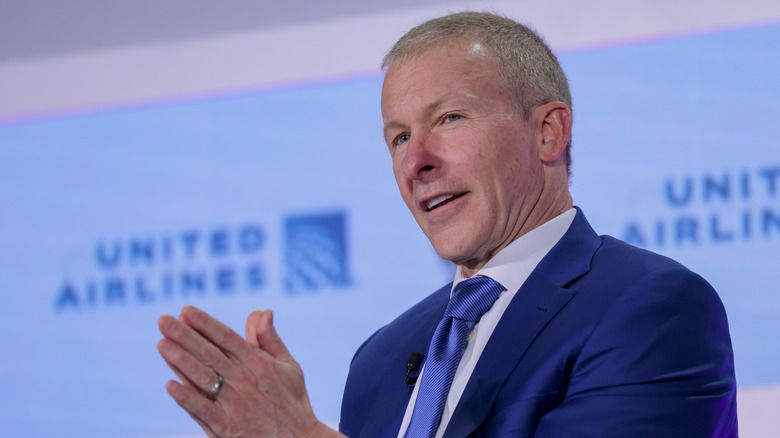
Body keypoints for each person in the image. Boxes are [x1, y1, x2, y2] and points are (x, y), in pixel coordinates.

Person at [157, 11, 738, 438]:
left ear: (548, 133)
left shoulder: (650, 309)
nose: (416, 162)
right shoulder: (380, 361)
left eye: (450, 118)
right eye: (400, 137)